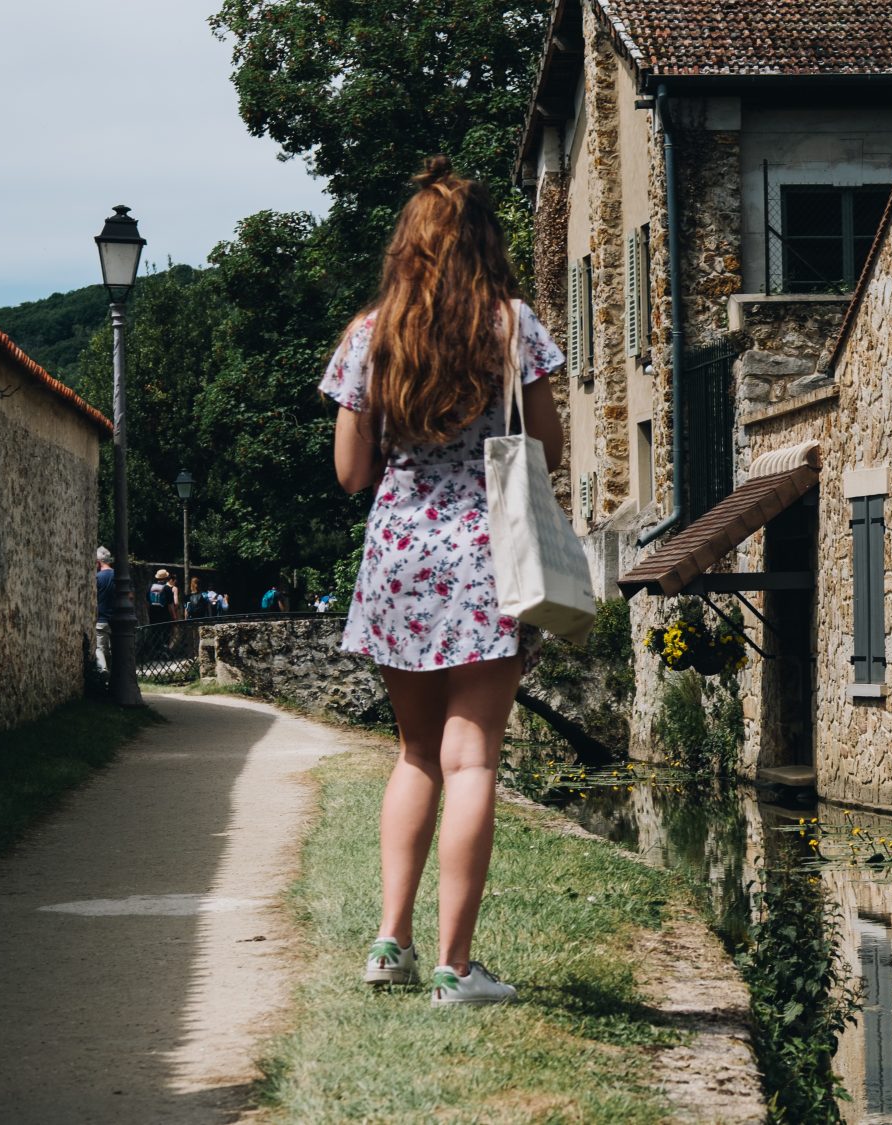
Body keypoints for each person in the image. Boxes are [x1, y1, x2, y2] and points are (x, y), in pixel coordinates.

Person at [322, 156, 564, 1006]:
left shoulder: (371, 334)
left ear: (408, 247)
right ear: (484, 243)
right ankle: (456, 970)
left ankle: (390, 939)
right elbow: (547, 450)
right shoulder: (513, 327)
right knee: (473, 762)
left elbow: (353, 472)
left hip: (398, 559)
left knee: (416, 752)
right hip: (485, 557)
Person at [94, 547, 115, 673]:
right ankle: (115, 675)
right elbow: (129, 596)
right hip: (117, 620)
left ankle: (103, 672)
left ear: (98, 562)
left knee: (99, 649)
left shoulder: (97, 577)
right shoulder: (120, 576)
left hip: (101, 619)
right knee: (115, 650)